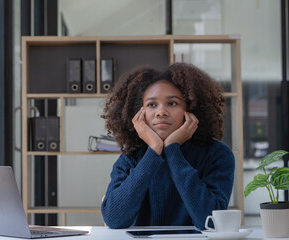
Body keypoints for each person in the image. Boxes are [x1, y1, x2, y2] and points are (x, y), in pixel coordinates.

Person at [100, 63, 235, 229]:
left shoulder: (217, 154)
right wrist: (154, 151)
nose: (161, 112)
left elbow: (210, 221)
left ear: (192, 109)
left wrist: (172, 150)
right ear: (138, 114)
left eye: (172, 103)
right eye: (151, 105)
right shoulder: (132, 157)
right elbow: (114, 219)